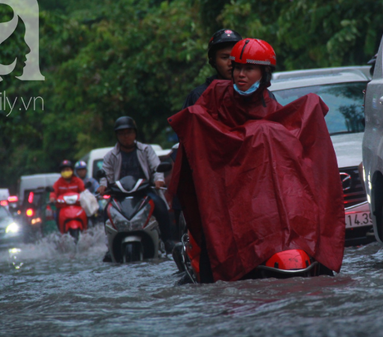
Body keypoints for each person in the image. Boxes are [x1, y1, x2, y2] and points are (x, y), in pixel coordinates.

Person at [168, 38, 345, 283]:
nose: (241, 74)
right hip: (226, 190)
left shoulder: (269, 102)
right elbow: (203, 141)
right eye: (237, 68)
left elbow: (285, 146)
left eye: (248, 69)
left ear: (264, 73)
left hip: (262, 196)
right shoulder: (213, 96)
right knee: (214, 243)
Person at [96, 116, 176, 259]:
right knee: (106, 212)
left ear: (135, 133)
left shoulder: (146, 150)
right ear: (117, 136)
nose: (126, 136)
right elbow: (105, 174)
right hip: (119, 194)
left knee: (160, 206)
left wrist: (158, 181)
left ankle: (167, 240)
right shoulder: (110, 156)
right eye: (122, 133)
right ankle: (110, 246)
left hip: (144, 191)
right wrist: (103, 186)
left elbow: (156, 167)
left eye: (129, 132)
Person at [182, 28, 243, 109]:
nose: (230, 63)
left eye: (235, 57)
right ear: (213, 61)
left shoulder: (253, 92)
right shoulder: (200, 95)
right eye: (224, 58)